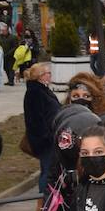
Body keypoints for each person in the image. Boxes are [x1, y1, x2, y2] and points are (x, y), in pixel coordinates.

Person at [23, 62, 61, 197]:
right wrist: (47, 136)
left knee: (49, 168)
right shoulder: (35, 92)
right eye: (48, 73)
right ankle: (44, 199)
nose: (50, 75)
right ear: (41, 76)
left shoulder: (42, 90)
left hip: (50, 137)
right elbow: (36, 118)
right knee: (47, 170)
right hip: (44, 140)